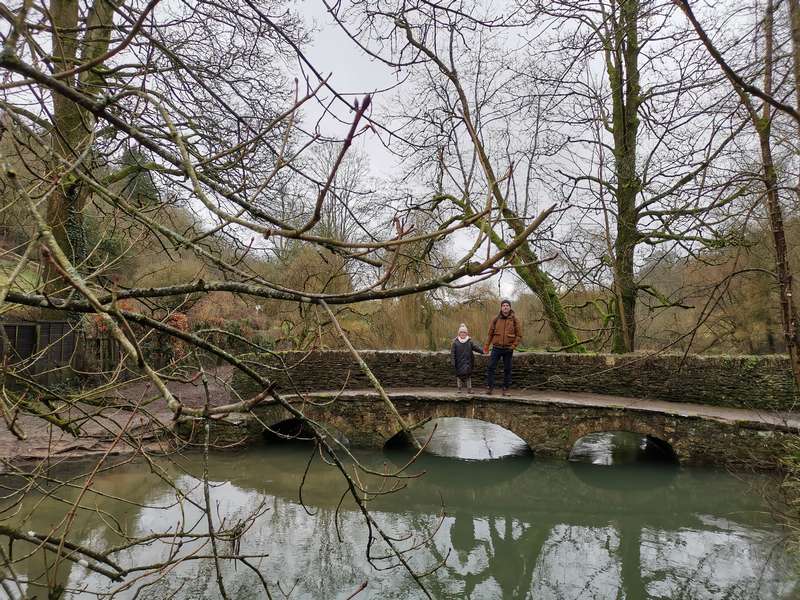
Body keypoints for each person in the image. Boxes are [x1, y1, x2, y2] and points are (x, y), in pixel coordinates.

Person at [483, 299, 522, 396]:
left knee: (507, 369)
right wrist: (486, 346)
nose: (505, 307)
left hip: (508, 349)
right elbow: (490, 334)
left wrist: (513, 346)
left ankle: (506, 389)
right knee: (491, 367)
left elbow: (519, 335)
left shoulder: (515, 320)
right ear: (501, 307)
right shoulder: (496, 319)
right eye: (503, 305)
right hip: (496, 348)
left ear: (510, 307)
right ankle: (489, 388)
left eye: (507, 305)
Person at [451, 323, 483, 394]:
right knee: (459, 376)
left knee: (468, 376)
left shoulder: (469, 342)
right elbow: (452, 353)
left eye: (464, 332)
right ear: (459, 333)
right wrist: (453, 361)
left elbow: (475, 348)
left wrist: (483, 351)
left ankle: (469, 389)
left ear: (466, 333)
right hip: (458, 362)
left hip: (468, 362)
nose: (463, 334)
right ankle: (459, 389)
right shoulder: (455, 343)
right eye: (461, 332)